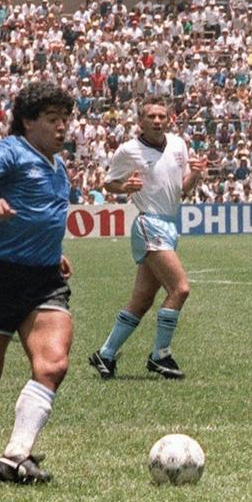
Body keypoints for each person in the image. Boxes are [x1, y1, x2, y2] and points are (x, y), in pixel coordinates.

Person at [0, 81, 75, 484]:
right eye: (53, 120)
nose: (62, 128)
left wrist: (53, 251)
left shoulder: (59, 163)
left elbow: (45, 215)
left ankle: (15, 456)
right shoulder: (12, 150)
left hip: (45, 279)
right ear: (27, 122)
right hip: (2, 277)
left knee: (53, 363)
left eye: (66, 119)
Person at [88, 96, 207, 380]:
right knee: (180, 289)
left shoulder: (178, 144)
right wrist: (124, 186)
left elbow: (183, 190)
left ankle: (105, 355)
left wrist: (198, 175)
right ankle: (160, 355)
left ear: (169, 119)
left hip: (168, 223)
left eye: (161, 116)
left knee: (142, 300)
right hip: (149, 223)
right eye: (151, 116)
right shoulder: (129, 150)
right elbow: (108, 183)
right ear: (140, 121)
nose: (157, 121)